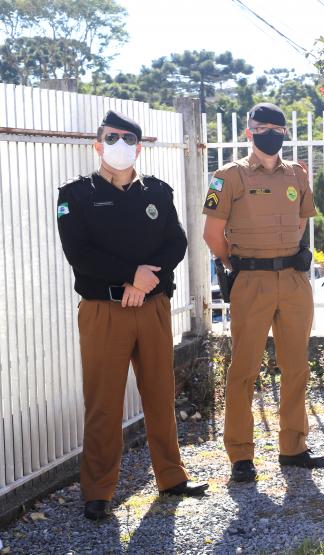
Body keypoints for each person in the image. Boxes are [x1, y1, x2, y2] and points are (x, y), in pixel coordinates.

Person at [57, 110, 208, 520]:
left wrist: (144, 282)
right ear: (97, 145)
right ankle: (98, 491)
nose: (119, 145)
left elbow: (176, 243)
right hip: (104, 311)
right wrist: (130, 276)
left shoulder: (157, 191)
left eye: (127, 139)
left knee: (160, 392)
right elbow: (79, 254)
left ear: (138, 148)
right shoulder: (76, 196)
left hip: (153, 306)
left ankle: (172, 478)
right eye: (111, 137)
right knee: (103, 402)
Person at [202, 102, 324, 482]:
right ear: (249, 132)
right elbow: (212, 235)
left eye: (277, 128)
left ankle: (294, 448)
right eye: (263, 128)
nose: (270, 134)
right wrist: (239, 264)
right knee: (244, 369)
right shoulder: (228, 176)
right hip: (251, 281)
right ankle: (241, 456)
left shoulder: (297, 175)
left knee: (296, 367)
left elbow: (302, 221)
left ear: (284, 133)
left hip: (293, 280)